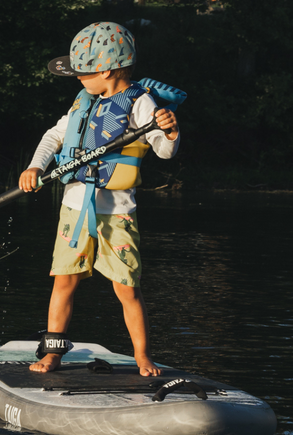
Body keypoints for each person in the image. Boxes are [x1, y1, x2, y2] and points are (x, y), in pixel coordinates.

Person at [18, 21, 180, 375]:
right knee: (64, 282)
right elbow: (54, 136)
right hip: (74, 209)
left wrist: (169, 129)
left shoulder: (140, 103)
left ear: (105, 70)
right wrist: (34, 167)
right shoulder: (83, 100)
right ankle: (53, 353)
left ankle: (142, 357)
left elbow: (165, 152)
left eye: (82, 72)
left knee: (127, 289)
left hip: (117, 213)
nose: (77, 78)